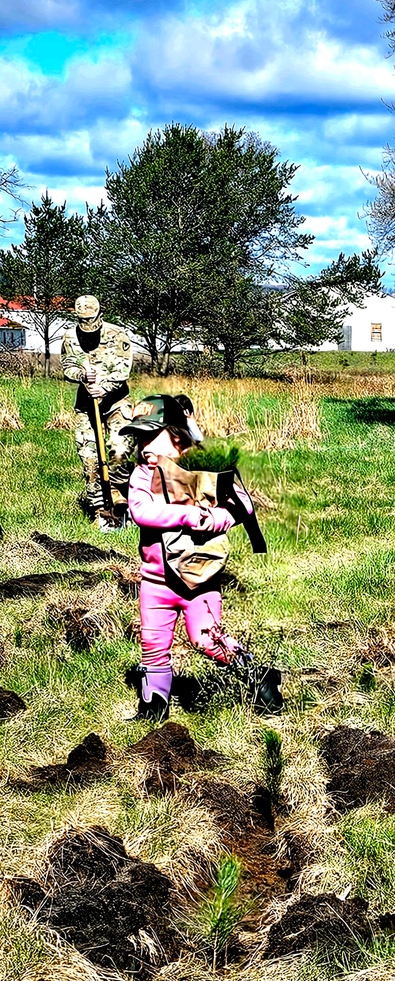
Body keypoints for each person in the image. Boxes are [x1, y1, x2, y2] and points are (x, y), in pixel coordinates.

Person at [121, 394, 282, 721]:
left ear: (177, 437)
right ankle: (154, 706)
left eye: (152, 436)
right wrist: (188, 515)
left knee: (206, 639)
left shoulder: (203, 468)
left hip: (200, 581)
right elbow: (141, 512)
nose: (144, 445)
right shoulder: (142, 475)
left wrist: (216, 518)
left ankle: (260, 677)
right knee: (153, 644)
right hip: (155, 582)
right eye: (139, 437)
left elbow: (243, 505)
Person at [61, 295, 135, 528]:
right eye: (83, 320)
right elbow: (67, 366)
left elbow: (123, 371)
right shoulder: (70, 337)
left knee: (120, 452)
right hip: (86, 406)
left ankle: (123, 495)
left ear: (99, 315)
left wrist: (102, 387)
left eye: (91, 320)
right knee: (90, 458)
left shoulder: (117, 334)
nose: (87, 325)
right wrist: (82, 376)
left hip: (116, 402)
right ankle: (101, 510)